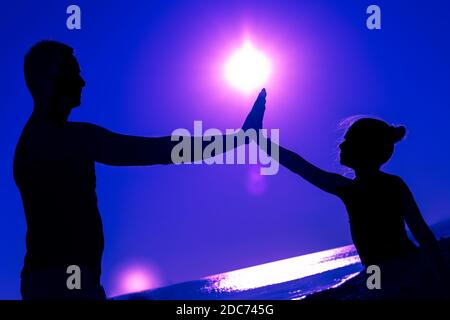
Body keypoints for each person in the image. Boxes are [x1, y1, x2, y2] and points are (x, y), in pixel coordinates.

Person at [14, 40, 266, 300]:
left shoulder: (41, 140)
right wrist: (239, 139)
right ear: (48, 79)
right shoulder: (60, 139)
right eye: (73, 72)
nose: (82, 82)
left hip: (62, 280)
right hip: (64, 284)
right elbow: (157, 151)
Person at [252, 90, 448, 294]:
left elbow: (299, 166)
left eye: (348, 141)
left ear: (364, 149)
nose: (341, 144)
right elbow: (422, 232)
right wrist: (441, 274)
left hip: (391, 270)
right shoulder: (388, 184)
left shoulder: (353, 190)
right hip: (401, 266)